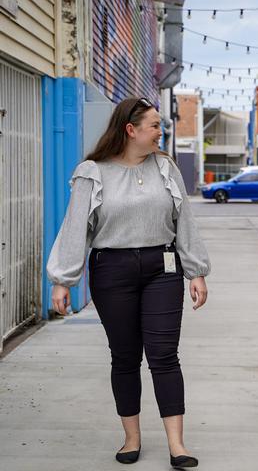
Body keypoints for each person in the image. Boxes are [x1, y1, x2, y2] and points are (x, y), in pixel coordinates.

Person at [47, 97, 210, 467]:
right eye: (154, 126)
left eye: (160, 126)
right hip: (112, 269)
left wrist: (196, 270)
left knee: (164, 355)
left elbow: (184, 221)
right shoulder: (92, 172)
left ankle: (177, 446)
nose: (160, 132)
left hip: (162, 268)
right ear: (130, 130)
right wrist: (63, 279)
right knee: (124, 357)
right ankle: (131, 438)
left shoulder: (166, 168)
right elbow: (76, 228)